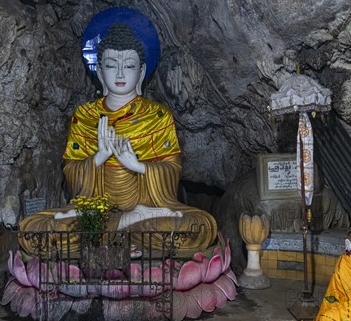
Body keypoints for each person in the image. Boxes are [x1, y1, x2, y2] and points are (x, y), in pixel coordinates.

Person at [18, 22, 217, 256]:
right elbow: (71, 173)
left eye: (129, 65)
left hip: (148, 209)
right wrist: (98, 158)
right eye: (112, 66)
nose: (120, 74)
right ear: (100, 72)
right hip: (95, 212)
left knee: (198, 226)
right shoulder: (84, 116)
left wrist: (139, 167)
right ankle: (123, 226)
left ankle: (116, 229)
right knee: (34, 229)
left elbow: (172, 169)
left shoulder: (158, 115)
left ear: (141, 72)